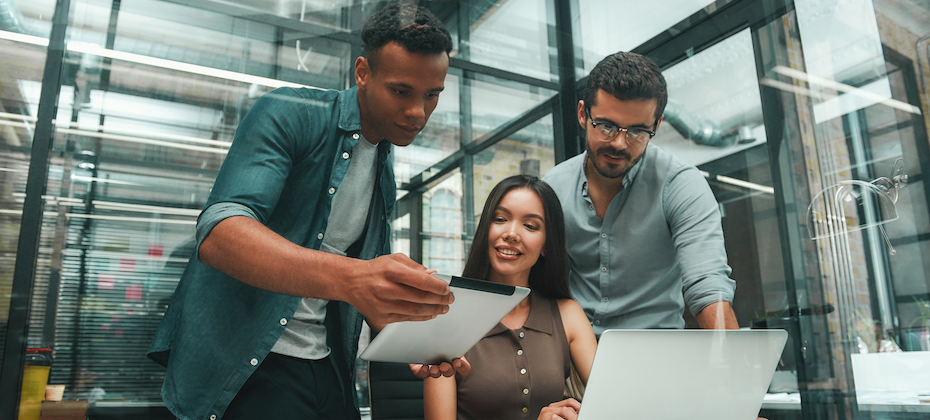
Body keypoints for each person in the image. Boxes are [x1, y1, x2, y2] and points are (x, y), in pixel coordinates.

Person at [147, 4, 467, 420]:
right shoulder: (289, 113)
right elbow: (220, 234)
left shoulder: (383, 165)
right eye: (401, 91)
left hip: (327, 365)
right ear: (363, 73)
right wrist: (356, 279)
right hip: (249, 365)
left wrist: (427, 345)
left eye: (432, 95)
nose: (418, 113)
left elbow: (368, 293)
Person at [541, 51, 738, 333]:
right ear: (583, 114)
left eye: (637, 131)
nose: (620, 143)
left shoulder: (680, 184)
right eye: (606, 126)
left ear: (656, 126)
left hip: (657, 354)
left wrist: (728, 361)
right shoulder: (554, 187)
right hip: (574, 352)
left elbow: (707, 285)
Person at [423, 175, 597, 420]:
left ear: (547, 244)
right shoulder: (447, 316)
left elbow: (614, 402)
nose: (512, 233)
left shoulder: (568, 314)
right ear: (486, 229)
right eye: (501, 219)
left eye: (530, 226)